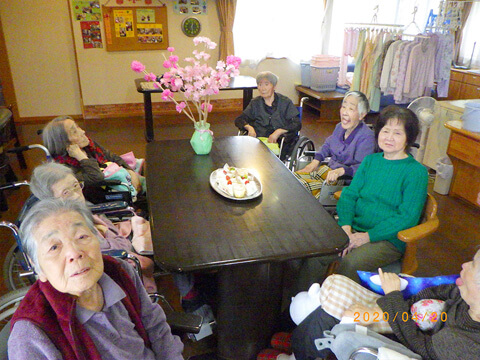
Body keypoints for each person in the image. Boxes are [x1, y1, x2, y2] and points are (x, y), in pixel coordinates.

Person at [8, 198, 184, 360]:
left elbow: (155, 327)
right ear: (38, 268)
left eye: (82, 237)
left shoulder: (120, 272)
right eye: (54, 247)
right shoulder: (31, 335)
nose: (74, 253)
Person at [291, 250, 480, 360]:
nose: (463, 265)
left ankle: (298, 353)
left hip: (409, 347)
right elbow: (432, 292)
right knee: (331, 312)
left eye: (472, 265)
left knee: (336, 324)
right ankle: (297, 350)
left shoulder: (465, 344)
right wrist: (382, 312)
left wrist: (392, 296)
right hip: (409, 322)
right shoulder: (463, 295)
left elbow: (417, 345)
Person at [334, 105, 428, 283]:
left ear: (409, 138)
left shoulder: (416, 172)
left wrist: (367, 237)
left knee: (350, 263)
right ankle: (302, 304)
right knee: (316, 251)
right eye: (386, 131)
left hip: (388, 239)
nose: (389, 138)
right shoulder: (370, 161)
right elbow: (349, 195)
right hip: (354, 227)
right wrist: (345, 227)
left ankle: (331, 306)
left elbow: (406, 217)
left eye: (397, 133)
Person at [29, 162, 156, 293]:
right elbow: (121, 249)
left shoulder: (85, 209)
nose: (77, 195)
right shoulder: (75, 228)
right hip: (117, 264)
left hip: (123, 244)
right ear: (51, 201)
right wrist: (106, 230)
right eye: (66, 193)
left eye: (76, 186)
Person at [294, 91, 375, 198]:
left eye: (351, 109)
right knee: (292, 178)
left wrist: (341, 171)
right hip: (327, 171)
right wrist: (315, 161)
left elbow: (363, 167)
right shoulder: (339, 127)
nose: (345, 112)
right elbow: (328, 144)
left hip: (343, 181)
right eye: (344, 107)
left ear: (362, 115)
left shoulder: (366, 137)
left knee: (300, 187)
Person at [42, 116, 145, 198]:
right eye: (74, 131)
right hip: (108, 192)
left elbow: (112, 157)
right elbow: (97, 178)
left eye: (78, 127)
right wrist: (82, 158)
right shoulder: (65, 170)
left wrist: (131, 172)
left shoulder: (88, 146)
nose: (82, 131)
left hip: (120, 176)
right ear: (64, 144)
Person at [234, 71, 301, 160]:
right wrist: (249, 127)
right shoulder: (255, 103)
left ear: (274, 86)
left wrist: (279, 131)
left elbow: (296, 123)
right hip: (258, 142)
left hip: (281, 142)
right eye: (260, 84)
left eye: (266, 84)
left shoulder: (285, 102)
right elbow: (239, 119)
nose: (262, 88)